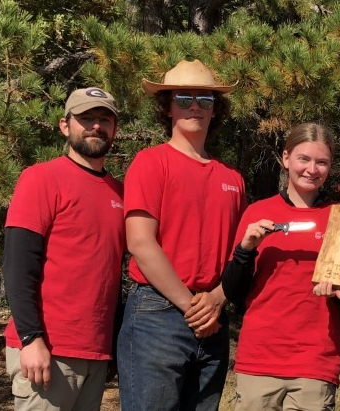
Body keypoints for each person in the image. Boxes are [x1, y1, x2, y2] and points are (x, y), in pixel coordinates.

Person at [117, 59, 246, 410]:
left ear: (216, 110)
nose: (194, 106)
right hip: (157, 314)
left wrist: (217, 300)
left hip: (212, 314)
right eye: (184, 98)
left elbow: (239, 255)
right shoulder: (151, 162)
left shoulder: (232, 178)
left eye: (205, 100)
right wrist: (193, 308)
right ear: (167, 106)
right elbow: (140, 243)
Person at [3, 87, 124, 411]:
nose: (96, 126)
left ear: (114, 129)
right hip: (47, 351)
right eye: (86, 118)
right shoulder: (41, 178)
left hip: (96, 354)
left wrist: (111, 345)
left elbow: (111, 274)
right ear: (65, 125)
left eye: (104, 119)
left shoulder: (119, 192)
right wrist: (31, 339)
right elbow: (17, 266)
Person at [220, 122, 340, 411]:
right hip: (259, 359)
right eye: (304, 159)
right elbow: (233, 291)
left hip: (315, 361)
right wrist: (245, 250)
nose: (312, 169)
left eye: (321, 162)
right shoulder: (257, 212)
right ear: (286, 158)